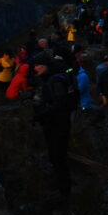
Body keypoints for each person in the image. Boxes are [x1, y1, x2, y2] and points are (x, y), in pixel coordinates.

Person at [32, 52, 76, 203]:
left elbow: (60, 104)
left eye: (37, 65)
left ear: (45, 66)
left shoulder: (56, 81)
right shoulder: (53, 78)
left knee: (58, 156)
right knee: (55, 154)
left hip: (58, 124)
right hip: (54, 123)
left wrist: (42, 113)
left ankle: (64, 191)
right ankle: (61, 185)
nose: (35, 68)